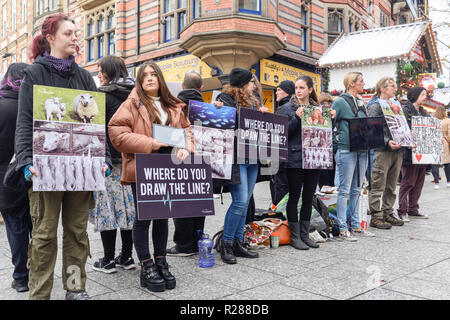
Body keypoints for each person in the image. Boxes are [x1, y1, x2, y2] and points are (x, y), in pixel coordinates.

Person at [14, 13, 110, 300]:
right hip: (46, 170)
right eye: (68, 33)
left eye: (76, 33)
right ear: (51, 38)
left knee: (77, 233)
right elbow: (24, 121)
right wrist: (26, 162)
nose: (75, 38)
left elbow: (96, 125)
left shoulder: (84, 77)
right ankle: (40, 294)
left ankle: (74, 289)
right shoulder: (34, 74)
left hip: (80, 170)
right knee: (43, 237)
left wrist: (101, 157)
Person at [108, 60, 194, 292]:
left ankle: (161, 261)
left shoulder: (173, 104)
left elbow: (186, 129)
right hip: (143, 165)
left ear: (159, 78)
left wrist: (185, 146)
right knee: (144, 217)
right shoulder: (132, 103)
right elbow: (116, 132)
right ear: (139, 80)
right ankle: (146, 266)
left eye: (153, 74)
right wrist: (149, 143)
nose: (149, 78)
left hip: (169, 166)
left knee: (163, 215)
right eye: (144, 75)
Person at [215, 68, 268, 264]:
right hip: (236, 157)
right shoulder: (226, 98)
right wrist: (218, 110)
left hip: (253, 157)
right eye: (252, 82)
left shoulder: (254, 101)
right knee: (239, 201)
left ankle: (238, 241)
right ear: (244, 83)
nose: (254, 86)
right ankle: (226, 243)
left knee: (245, 203)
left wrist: (263, 115)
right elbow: (224, 124)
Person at [89, 56, 137, 273]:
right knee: (130, 210)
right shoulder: (137, 95)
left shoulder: (101, 96)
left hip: (108, 162)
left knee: (107, 209)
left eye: (101, 71)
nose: (98, 75)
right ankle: (127, 256)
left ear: (108, 72)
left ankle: (108, 259)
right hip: (133, 160)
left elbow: (96, 132)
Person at [277, 75, 335, 250]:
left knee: (309, 197)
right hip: (295, 158)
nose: (298, 91)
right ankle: (295, 236)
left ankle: (304, 234)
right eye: (296, 88)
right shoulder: (287, 108)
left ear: (310, 90)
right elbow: (283, 133)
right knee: (294, 197)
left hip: (315, 157)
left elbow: (325, 133)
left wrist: (332, 117)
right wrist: (296, 118)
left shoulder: (318, 108)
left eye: (302, 87)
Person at [0, 63, 32, 293]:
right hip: (35, 174)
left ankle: (21, 276)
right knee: (38, 224)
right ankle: (40, 269)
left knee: (16, 224)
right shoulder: (34, 104)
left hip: (6, 177)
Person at [167, 70, 206, 256]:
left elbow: (165, 133)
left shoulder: (173, 106)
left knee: (180, 200)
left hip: (178, 157)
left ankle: (183, 245)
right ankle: (198, 239)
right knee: (199, 199)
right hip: (202, 159)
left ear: (182, 86)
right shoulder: (209, 108)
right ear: (201, 88)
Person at [332, 72, 371, 241]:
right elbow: (329, 124)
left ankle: (355, 226)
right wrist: (338, 141)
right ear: (352, 83)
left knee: (357, 189)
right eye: (361, 81)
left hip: (362, 149)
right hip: (346, 149)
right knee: (344, 190)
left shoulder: (362, 101)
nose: (363, 83)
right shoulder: (340, 101)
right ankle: (342, 229)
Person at [367, 77, 405, 229]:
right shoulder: (375, 106)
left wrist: (408, 138)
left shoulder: (396, 105)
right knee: (378, 183)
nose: (395, 89)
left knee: (391, 185)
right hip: (383, 150)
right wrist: (386, 141)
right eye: (391, 86)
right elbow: (371, 129)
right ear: (382, 89)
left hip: (398, 149)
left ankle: (388, 212)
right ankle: (376, 216)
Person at [397, 87, 430, 220]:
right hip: (409, 152)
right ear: (415, 95)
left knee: (418, 183)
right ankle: (402, 210)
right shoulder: (406, 110)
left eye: (425, 94)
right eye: (422, 94)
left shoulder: (423, 111)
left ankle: (413, 209)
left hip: (423, 152)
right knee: (408, 182)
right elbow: (401, 129)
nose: (425, 96)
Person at [269, 80, 294, 206]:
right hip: (292, 158)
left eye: (279, 90)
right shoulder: (294, 106)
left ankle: (283, 223)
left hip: (282, 158)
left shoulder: (283, 109)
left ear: (288, 92)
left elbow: (278, 134)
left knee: (281, 191)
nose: (276, 92)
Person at [318, 92, 336, 189]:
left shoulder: (334, 116)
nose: (326, 105)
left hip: (333, 154)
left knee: (333, 183)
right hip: (321, 155)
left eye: (329, 102)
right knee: (324, 185)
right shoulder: (316, 117)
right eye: (323, 103)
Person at [431, 106, 450, 189]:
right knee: (447, 163)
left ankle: (436, 183)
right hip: (445, 142)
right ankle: (448, 181)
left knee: (435, 163)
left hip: (434, 142)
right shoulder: (448, 121)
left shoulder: (433, 120)